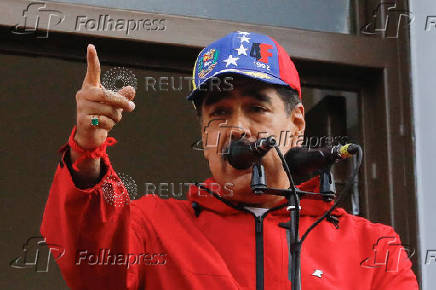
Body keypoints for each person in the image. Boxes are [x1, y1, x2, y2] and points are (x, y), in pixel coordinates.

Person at [41, 31, 418, 290]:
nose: (237, 127)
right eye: (219, 113)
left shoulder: (371, 246)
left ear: (297, 123)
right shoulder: (152, 227)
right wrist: (86, 151)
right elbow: (90, 260)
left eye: (256, 108)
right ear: (204, 135)